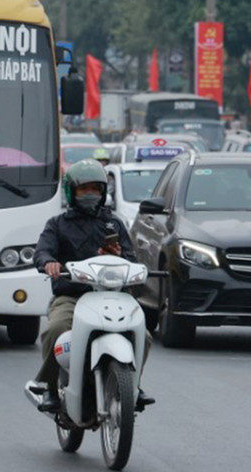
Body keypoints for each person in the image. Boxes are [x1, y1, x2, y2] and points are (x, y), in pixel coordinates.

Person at [31, 159, 153, 412]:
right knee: (56, 330)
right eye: (83, 189)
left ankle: (134, 386)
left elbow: (131, 260)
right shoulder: (57, 224)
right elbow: (42, 252)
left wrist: (119, 256)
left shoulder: (114, 224)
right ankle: (49, 387)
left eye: (95, 189)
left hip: (112, 297)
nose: (90, 194)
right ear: (71, 192)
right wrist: (50, 263)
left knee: (146, 337)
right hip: (72, 298)